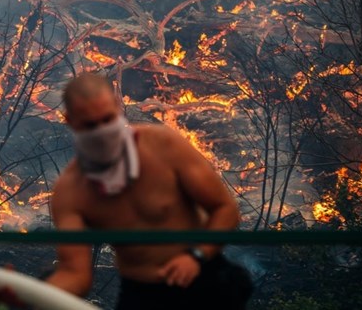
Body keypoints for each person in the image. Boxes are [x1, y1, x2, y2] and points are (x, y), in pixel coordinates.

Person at [45, 73, 252, 310]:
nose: (101, 131)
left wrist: (197, 256)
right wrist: (32, 298)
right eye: (90, 125)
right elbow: (75, 273)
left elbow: (225, 209)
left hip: (203, 280)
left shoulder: (163, 145)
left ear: (118, 107)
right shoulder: (71, 191)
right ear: (70, 121)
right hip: (141, 293)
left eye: (107, 120)